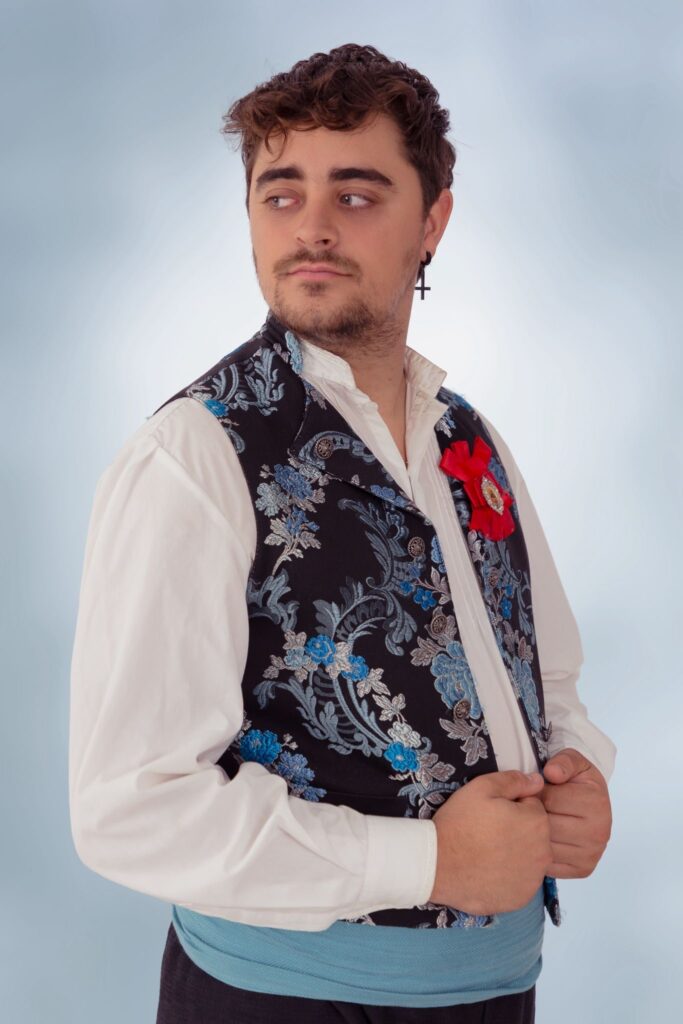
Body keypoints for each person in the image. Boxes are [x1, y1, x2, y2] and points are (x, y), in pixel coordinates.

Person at [68, 42, 615, 1023]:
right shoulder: (194, 454)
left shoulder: (469, 442)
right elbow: (130, 806)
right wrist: (428, 860)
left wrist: (575, 778)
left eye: (356, 195)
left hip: (493, 992)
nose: (311, 227)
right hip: (281, 1001)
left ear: (431, 222)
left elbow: (547, 676)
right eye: (280, 195)